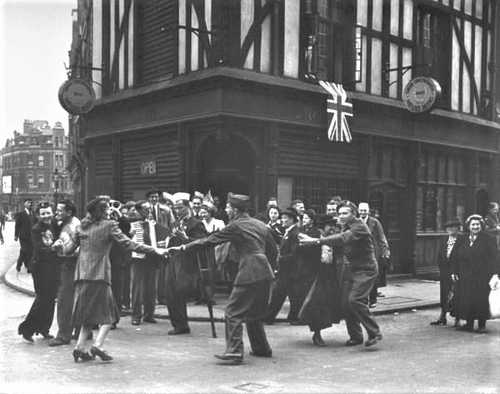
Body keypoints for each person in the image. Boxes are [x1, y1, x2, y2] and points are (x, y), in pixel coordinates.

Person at [168, 193, 278, 364]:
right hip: (265, 273)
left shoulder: (235, 226)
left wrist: (183, 247)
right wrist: (267, 266)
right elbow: (273, 251)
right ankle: (262, 348)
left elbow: (210, 241)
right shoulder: (260, 224)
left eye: (227, 208)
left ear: (234, 210)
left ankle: (234, 352)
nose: (226, 211)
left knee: (233, 312)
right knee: (254, 314)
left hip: (249, 271)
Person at [63, 196, 164, 362]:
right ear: (103, 211)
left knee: (87, 314)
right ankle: (98, 346)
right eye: (109, 208)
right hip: (100, 275)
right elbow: (130, 244)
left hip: (82, 275)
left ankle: (80, 348)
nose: (112, 210)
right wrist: (154, 250)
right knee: (109, 315)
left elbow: (68, 250)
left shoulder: (82, 226)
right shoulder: (109, 226)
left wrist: (59, 245)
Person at [299, 201, 383, 347]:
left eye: (345, 213)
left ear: (354, 214)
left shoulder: (359, 227)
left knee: (355, 300)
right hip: (352, 269)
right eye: (340, 213)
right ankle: (356, 337)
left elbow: (342, 239)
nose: (341, 216)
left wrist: (316, 241)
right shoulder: (344, 225)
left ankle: (375, 332)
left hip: (366, 270)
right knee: (346, 304)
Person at [165, 193, 207, 335]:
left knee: (179, 292)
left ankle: (182, 324)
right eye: (175, 208)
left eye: (180, 208)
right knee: (170, 292)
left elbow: (202, 244)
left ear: (187, 207)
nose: (177, 211)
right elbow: (173, 240)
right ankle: (178, 324)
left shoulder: (196, 223)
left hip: (187, 262)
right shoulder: (177, 223)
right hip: (174, 260)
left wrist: (186, 238)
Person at [298, 214, 343, 346]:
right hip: (314, 276)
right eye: (330, 227)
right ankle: (317, 334)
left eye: (335, 227)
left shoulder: (334, 240)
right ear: (323, 227)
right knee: (316, 305)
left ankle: (318, 332)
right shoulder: (313, 237)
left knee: (326, 305)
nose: (333, 229)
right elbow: (303, 255)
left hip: (329, 276)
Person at [18, 202, 59, 342]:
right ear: (38, 215)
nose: (46, 216)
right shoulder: (36, 229)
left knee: (51, 299)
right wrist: (54, 248)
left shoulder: (54, 225)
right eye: (43, 214)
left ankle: (44, 328)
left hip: (53, 266)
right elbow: (39, 248)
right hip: (40, 267)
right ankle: (27, 329)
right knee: (42, 298)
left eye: (48, 212)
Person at [452, 214, 500, 333]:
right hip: (465, 275)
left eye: (478, 224)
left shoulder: (489, 238)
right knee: (467, 298)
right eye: (473, 224)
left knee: (481, 299)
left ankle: (481, 325)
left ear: (481, 226)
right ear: (468, 226)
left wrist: (495, 274)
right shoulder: (462, 238)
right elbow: (455, 256)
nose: (475, 226)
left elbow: (495, 257)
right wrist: (454, 271)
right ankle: (469, 324)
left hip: (482, 275)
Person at [48, 200, 81, 347]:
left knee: (64, 301)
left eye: (60, 210)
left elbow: (74, 250)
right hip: (75, 265)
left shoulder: (71, 226)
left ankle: (63, 335)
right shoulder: (72, 222)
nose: (56, 213)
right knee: (78, 299)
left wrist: (57, 248)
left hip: (70, 265)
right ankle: (81, 331)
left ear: (69, 212)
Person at [129, 201, 167, 325]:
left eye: (149, 209)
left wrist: (161, 244)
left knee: (151, 288)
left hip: (152, 257)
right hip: (138, 258)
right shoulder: (134, 225)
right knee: (137, 288)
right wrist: (132, 236)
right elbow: (129, 241)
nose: (148, 211)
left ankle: (149, 314)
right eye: (145, 209)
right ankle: (136, 315)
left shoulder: (154, 224)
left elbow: (162, 235)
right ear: (140, 211)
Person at [265, 208, 302, 325]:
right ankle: (289, 317)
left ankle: (273, 317)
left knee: (284, 295)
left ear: (292, 220)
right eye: (282, 218)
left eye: (285, 218)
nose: (283, 220)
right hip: (286, 270)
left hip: (290, 270)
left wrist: (281, 258)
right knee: (284, 294)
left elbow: (295, 253)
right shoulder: (289, 231)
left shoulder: (295, 233)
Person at [430, 219, 463, 327]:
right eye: (448, 227)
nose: (450, 229)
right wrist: (441, 269)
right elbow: (440, 254)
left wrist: (457, 271)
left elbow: (462, 257)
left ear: (458, 228)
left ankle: (457, 319)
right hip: (445, 271)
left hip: (457, 272)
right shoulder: (444, 239)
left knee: (457, 294)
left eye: (453, 227)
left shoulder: (462, 240)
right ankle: (442, 317)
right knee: (444, 294)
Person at [358, 202, 390, 308]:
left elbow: (381, 237)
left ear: (368, 211)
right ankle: (363, 299)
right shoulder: (356, 222)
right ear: (358, 211)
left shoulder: (374, 222)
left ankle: (373, 299)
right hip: (359, 253)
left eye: (365, 210)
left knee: (372, 276)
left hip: (372, 252)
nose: (363, 212)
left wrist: (384, 252)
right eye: (361, 210)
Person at [15, 198, 35, 272]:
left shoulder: (33, 213)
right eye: (28, 203)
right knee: (25, 250)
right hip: (23, 236)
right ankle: (26, 266)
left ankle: (22, 265)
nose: (30, 204)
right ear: (24, 204)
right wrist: (16, 235)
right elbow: (17, 225)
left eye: (31, 203)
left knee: (29, 251)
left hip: (31, 236)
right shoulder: (21, 214)